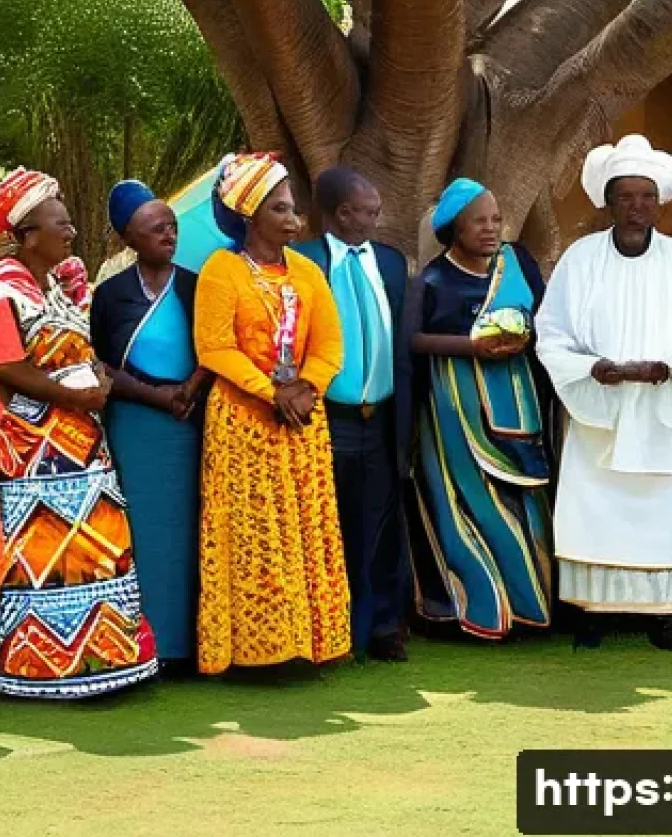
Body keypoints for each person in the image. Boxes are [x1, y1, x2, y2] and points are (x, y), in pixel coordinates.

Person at [0, 168, 158, 698]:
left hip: (81, 445)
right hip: (31, 451)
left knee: (94, 545)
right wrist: (75, 396)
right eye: (59, 223)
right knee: (43, 555)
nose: (71, 231)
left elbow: (72, 353)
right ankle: (42, 666)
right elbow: (2, 366)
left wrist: (97, 380)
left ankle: (102, 659)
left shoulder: (55, 289)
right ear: (26, 235)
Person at [536, 135, 672, 651]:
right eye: (626, 196)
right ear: (609, 200)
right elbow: (551, 331)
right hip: (598, 412)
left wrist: (668, 368)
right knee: (592, 508)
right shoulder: (579, 259)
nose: (637, 207)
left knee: (662, 513)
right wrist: (591, 367)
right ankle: (591, 616)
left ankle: (665, 616)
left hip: (658, 412)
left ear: (659, 202)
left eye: (646, 197)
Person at [194, 152, 350, 675]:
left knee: (306, 528)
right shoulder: (222, 270)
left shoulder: (307, 270)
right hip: (243, 424)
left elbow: (329, 344)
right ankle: (259, 651)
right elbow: (214, 348)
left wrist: (307, 387)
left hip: (302, 422)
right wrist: (271, 391)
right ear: (250, 214)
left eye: (294, 210)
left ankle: (312, 643)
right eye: (281, 210)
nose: (294, 219)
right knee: (255, 532)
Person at [406, 178, 554, 640]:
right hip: (455, 405)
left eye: (496, 220)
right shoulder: (432, 279)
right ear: (454, 229)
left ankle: (534, 605)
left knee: (525, 498)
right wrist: (472, 347)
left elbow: (546, 317)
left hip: (519, 397)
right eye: (479, 222)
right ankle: (484, 607)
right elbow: (413, 340)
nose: (491, 230)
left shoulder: (519, 262)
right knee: (468, 501)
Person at [91, 180, 208, 667]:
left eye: (172, 226)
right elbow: (100, 365)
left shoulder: (195, 285)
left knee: (190, 527)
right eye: (155, 228)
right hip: (137, 426)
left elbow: (215, 347)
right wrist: (155, 396)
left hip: (190, 421)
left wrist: (191, 388)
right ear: (128, 238)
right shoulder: (111, 295)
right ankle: (146, 645)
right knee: (141, 529)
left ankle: (188, 646)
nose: (168, 235)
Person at [295, 168, 410, 662]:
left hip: (381, 417)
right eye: (370, 211)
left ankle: (383, 626)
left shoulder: (389, 261)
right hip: (326, 416)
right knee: (326, 524)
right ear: (342, 213)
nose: (377, 219)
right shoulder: (303, 262)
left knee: (380, 525)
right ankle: (330, 630)